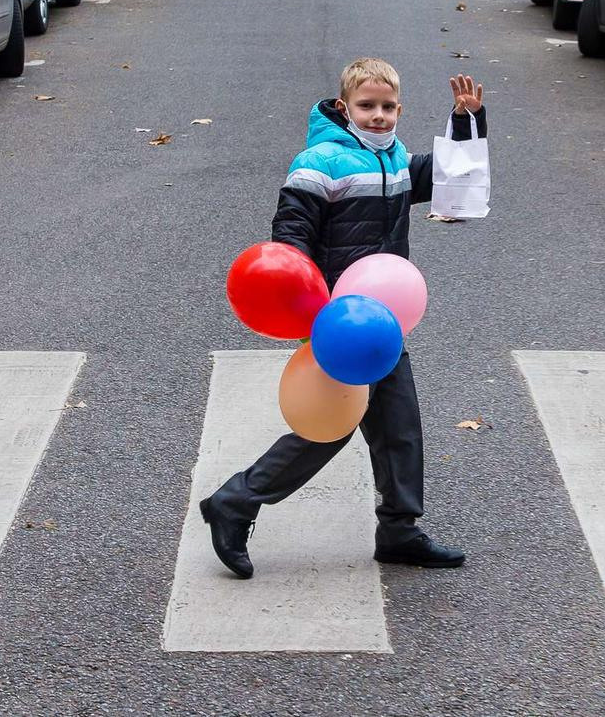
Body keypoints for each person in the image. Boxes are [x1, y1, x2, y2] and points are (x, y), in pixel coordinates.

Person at [199, 58, 485, 578]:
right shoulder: (320, 161)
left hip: (382, 318)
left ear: (400, 109)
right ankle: (237, 500)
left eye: (388, 107)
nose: (379, 116)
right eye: (367, 106)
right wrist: (305, 302)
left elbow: (448, 175)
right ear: (344, 107)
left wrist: (465, 121)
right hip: (338, 320)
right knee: (329, 424)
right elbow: (291, 234)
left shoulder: (394, 158)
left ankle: (399, 529)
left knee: (399, 424)